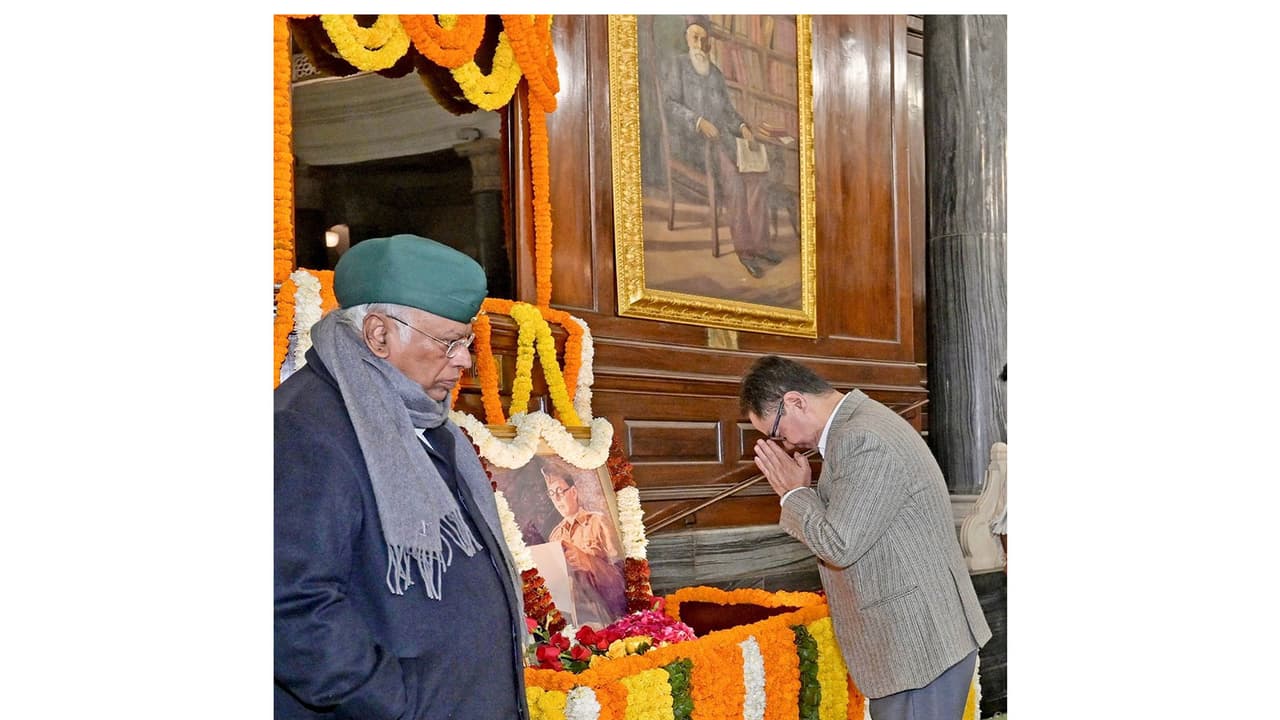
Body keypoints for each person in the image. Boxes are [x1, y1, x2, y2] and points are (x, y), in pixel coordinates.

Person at [275, 234, 530, 719]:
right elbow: (289, 605)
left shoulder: (431, 421)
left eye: (467, 342)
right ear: (378, 335)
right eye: (447, 343)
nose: (464, 360)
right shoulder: (300, 428)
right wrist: (396, 704)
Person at [740, 355, 991, 720]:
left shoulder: (860, 438)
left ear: (795, 401)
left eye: (778, 433)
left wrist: (793, 494)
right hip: (919, 644)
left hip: (917, 648)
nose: (788, 445)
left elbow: (839, 545)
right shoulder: (863, 423)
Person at [662, 15, 777, 279]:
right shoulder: (677, 66)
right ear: (687, 38)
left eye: (704, 39)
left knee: (757, 175)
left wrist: (743, 127)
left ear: (709, 42)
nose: (699, 44)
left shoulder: (715, 74)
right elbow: (669, 104)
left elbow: (727, 112)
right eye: (695, 38)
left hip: (722, 142)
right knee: (735, 181)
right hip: (693, 145)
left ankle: (760, 245)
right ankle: (746, 252)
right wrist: (699, 122)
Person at [540, 461, 628, 628]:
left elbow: (621, 577)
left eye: (560, 491)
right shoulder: (555, 536)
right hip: (575, 622)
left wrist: (586, 561)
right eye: (552, 494)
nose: (557, 498)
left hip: (607, 615)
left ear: (573, 492)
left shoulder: (598, 522)